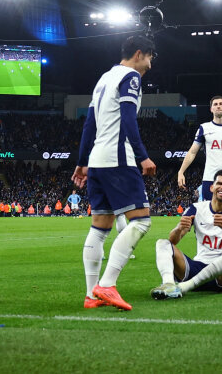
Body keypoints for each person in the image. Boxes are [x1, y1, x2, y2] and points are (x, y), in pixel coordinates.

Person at [72, 34, 157, 311]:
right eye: (150, 58)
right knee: (142, 221)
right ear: (139, 54)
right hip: (118, 159)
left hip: (97, 160)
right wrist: (143, 156)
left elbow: (89, 124)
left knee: (100, 227)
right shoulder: (131, 77)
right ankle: (107, 285)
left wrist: (82, 162)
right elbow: (128, 117)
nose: (150, 64)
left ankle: (91, 294)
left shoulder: (104, 79)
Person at [151, 169, 222, 299]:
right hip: (197, 267)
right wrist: (180, 228)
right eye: (219, 183)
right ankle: (168, 284)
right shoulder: (196, 208)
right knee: (162, 243)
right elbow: (173, 241)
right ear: (212, 187)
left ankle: (184, 287)